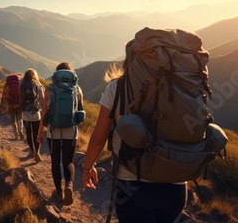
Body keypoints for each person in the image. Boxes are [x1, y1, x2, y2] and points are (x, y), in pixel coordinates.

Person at [82, 47, 187, 222]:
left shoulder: (117, 87)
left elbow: (99, 137)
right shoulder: (182, 87)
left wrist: (87, 168)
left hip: (133, 184)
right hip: (176, 185)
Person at [37, 62, 84, 206]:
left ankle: (58, 192)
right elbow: (80, 112)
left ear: (57, 74)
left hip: (53, 130)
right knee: (68, 161)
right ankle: (69, 185)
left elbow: (44, 112)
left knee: (55, 161)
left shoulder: (50, 89)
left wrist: (40, 132)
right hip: (71, 130)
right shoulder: (77, 89)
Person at [20, 68, 44, 163]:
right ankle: (37, 152)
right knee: (36, 134)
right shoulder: (38, 86)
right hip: (36, 113)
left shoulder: (21, 86)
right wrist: (44, 111)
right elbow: (42, 99)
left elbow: (20, 99)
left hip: (25, 113)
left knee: (28, 133)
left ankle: (32, 151)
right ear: (34, 76)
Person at [2, 73, 24, 140]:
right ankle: (20, 131)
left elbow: (5, 96)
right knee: (19, 119)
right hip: (19, 105)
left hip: (10, 105)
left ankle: (16, 136)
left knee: (13, 121)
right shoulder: (19, 84)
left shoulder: (7, 85)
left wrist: (4, 104)